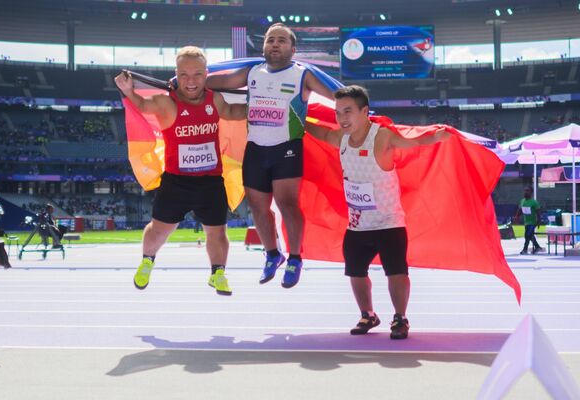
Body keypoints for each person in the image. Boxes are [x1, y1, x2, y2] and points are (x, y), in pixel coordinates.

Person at [307, 85, 449, 339]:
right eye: (338, 113)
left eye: (348, 111)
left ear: (365, 111)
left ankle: (400, 318)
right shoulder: (341, 138)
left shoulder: (381, 137)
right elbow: (317, 132)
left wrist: (436, 137)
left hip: (389, 222)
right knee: (355, 272)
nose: (342, 118)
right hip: (358, 225)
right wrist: (293, 119)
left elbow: (411, 141)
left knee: (396, 272)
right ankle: (368, 314)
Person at [206, 23, 335, 288]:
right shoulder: (252, 72)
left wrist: (357, 105)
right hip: (255, 149)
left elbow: (336, 95)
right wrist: (188, 81)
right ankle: (272, 254)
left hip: (286, 148)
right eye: (270, 40)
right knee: (257, 208)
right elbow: (214, 82)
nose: (275, 44)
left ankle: (296, 258)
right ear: (263, 47)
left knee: (287, 204)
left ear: (293, 49)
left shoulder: (303, 75)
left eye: (281, 41)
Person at [115, 46, 246, 296]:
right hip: (177, 182)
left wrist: (257, 109)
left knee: (217, 232)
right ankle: (147, 260)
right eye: (184, 75)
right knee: (159, 230)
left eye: (197, 74)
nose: (191, 81)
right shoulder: (167, 102)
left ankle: (218, 273)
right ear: (176, 74)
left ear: (206, 74)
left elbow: (232, 112)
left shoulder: (214, 99)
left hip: (210, 181)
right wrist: (127, 90)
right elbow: (142, 104)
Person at [514, 186, 543, 255]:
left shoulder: (534, 202)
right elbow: (520, 210)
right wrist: (516, 217)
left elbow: (538, 212)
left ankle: (525, 249)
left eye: (527, 191)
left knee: (527, 235)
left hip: (533, 222)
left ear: (531, 192)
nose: (525, 192)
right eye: (525, 191)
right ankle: (537, 247)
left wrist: (538, 221)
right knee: (530, 235)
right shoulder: (522, 201)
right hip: (526, 222)